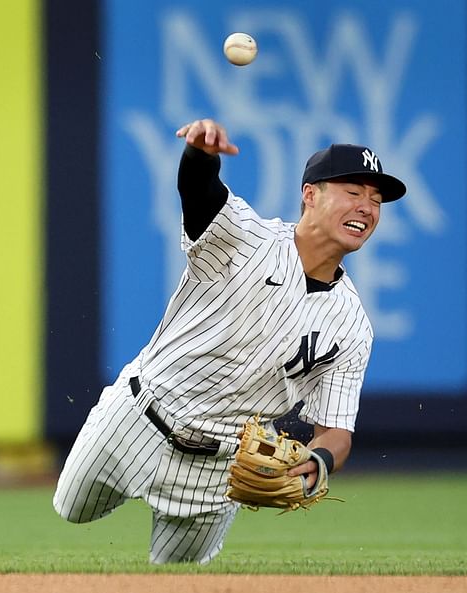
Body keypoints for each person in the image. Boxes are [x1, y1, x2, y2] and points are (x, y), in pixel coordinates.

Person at [53, 119, 407, 564]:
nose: (368, 208)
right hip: (138, 417)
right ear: (310, 194)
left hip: (220, 464)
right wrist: (201, 153)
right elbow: (200, 192)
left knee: (178, 577)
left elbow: (335, 430)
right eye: (354, 193)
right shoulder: (246, 237)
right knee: (73, 510)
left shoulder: (352, 325)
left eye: (376, 201)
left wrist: (319, 462)